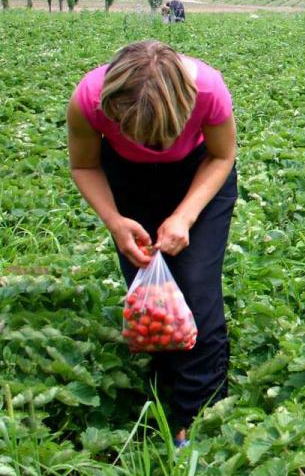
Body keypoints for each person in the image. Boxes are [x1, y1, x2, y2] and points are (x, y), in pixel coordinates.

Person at [67, 40, 236, 448]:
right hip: (127, 183)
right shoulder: (88, 100)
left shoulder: (209, 90)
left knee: (195, 287)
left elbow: (222, 155)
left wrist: (185, 215)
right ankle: (164, 382)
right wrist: (115, 222)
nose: (154, 145)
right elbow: (84, 164)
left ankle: (199, 415)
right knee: (149, 292)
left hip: (198, 176)